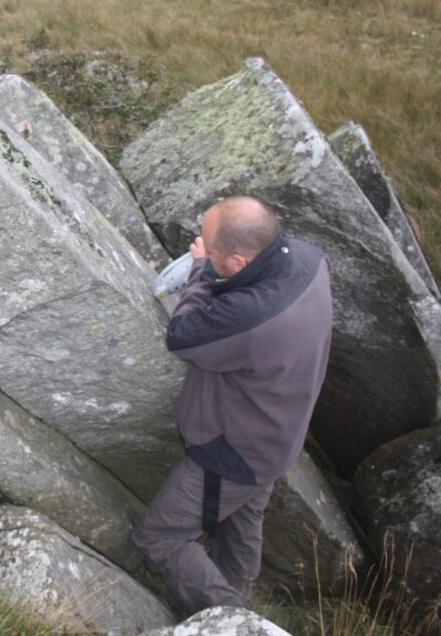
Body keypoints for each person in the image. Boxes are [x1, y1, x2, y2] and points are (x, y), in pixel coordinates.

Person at [130, 195, 333, 614]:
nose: (199, 248)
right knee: (241, 524)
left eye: (208, 246)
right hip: (280, 437)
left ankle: (234, 622)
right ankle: (236, 594)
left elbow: (184, 335)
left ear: (239, 262)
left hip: (232, 454)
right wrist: (215, 268)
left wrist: (201, 275)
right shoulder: (310, 261)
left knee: (159, 537)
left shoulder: (252, 317)